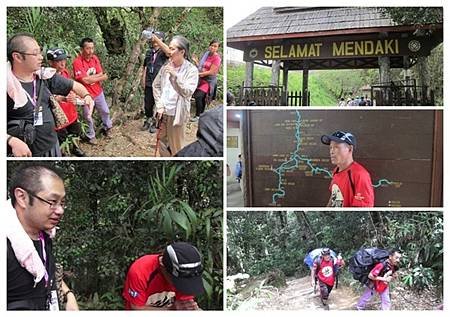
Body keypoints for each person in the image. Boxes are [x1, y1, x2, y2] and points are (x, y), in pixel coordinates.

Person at [7, 33, 94, 157]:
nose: (40, 57)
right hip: (25, 154)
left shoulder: (44, 76)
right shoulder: (7, 85)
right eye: (35, 53)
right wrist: (11, 140)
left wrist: (87, 96)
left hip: (51, 146)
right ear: (18, 57)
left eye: (40, 52)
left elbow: (75, 85)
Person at [7, 165, 78, 310]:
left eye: (62, 203)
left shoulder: (44, 234)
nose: (60, 210)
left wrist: (67, 294)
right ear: (22, 197)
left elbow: (47, 272)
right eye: (52, 202)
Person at [122, 242, 204, 310]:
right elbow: (136, 309)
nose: (179, 286)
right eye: (177, 281)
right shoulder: (140, 271)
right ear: (162, 266)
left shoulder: (186, 274)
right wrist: (171, 310)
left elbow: (185, 303)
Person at [153, 35, 198, 156]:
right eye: (169, 48)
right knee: (162, 144)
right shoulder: (166, 66)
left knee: (177, 147)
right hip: (163, 112)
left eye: (172, 49)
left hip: (176, 115)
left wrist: (174, 77)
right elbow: (156, 85)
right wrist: (159, 105)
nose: (169, 51)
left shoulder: (191, 70)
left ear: (182, 51)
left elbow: (187, 92)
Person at [72, 37, 113, 145]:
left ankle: (107, 128)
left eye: (92, 48)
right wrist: (100, 77)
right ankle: (91, 135)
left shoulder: (95, 58)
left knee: (105, 111)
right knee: (88, 116)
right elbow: (85, 80)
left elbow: (99, 73)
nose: (91, 51)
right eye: (88, 48)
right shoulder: (77, 62)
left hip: (98, 91)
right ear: (82, 49)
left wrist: (92, 78)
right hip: (85, 94)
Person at [46, 48, 86, 157]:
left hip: (70, 110)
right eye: (59, 61)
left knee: (75, 131)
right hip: (58, 115)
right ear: (51, 62)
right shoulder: (46, 77)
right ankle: (63, 154)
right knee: (61, 137)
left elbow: (72, 88)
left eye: (64, 60)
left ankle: (75, 148)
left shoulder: (65, 73)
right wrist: (61, 98)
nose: (63, 63)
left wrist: (76, 95)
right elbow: (47, 97)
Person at [321, 131, 374, 207]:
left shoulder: (360, 175)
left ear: (350, 149)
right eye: (331, 147)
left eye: (336, 147)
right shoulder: (336, 170)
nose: (331, 152)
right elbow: (334, 196)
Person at [142, 31, 170, 133]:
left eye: (158, 38)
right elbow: (145, 66)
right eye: (154, 38)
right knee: (148, 103)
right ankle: (148, 119)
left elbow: (168, 52)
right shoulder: (149, 52)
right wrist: (143, 79)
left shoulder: (163, 53)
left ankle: (156, 122)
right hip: (149, 81)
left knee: (159, 103)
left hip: (160, 83)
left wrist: (157, 39)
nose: (154, 41)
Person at [191, 39, 222, 121]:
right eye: (211, 45)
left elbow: (211, 71)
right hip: (201, 78)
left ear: (217, 48)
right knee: (201, 97)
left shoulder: (217, 58)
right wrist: (196, 62)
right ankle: (201, 115)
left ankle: (198, 115)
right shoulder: (206, 55)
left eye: (215, 46)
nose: (213, 47)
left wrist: (198, 74)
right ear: (209, 46)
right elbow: (201, 67)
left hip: (209, 81)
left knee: (198, 96)